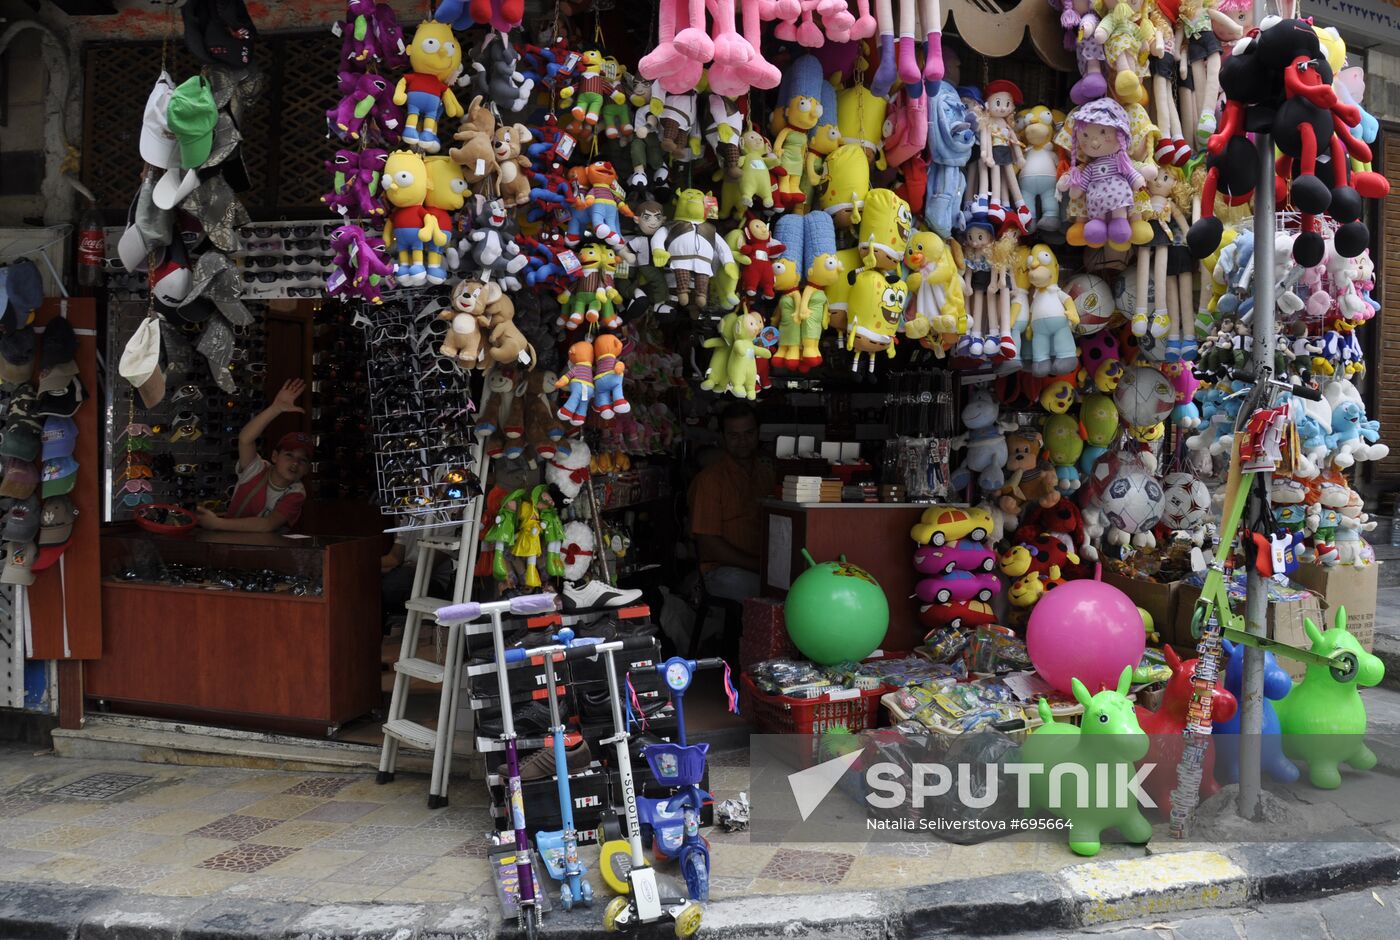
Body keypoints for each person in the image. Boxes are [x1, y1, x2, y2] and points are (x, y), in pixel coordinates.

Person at [196, 379, 311, 532]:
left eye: (302, 460)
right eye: (289, 455)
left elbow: (268, 525)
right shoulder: (257, 469)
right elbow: (245, 439)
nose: (295, 463)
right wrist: (275, 408)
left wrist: (217, 524)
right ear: (275, 456)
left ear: (307, 469)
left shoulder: (296, 492)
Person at [688, 401, 774, 602]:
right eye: (734, 435)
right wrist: (757, 564)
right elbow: (708, 542)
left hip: (762, 566)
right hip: (722, 571)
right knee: (765, 592)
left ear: (758, 433)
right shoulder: (710, 480)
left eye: (749, 433)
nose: (742, 441)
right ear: (723, 437)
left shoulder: (767, 473)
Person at [380, 527, 453, 633]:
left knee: (393, 584)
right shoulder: (409, 517)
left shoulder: (445, 519)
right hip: (405, 574)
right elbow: (394, 558)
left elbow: (426, 565)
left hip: (433, 582)